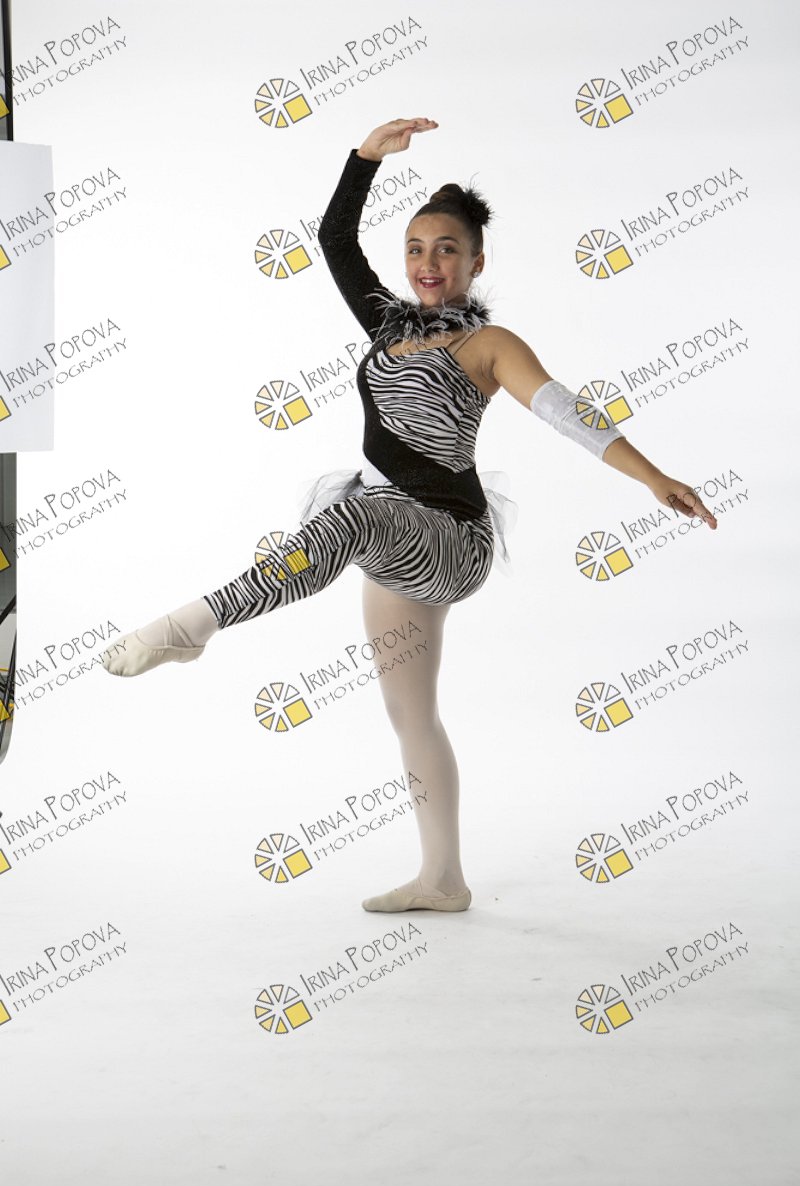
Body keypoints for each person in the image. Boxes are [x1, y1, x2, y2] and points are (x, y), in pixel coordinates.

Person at [102, 117, 718, 913]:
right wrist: (364, 159)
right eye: (417, 249)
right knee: (410, 713)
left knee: (353, 519)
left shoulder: (490, 345)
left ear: (476, 262)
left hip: (449, 539)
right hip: (394, 538)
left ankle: (192, 624)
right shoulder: (387, 325)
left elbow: (567, 412)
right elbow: (334, 239)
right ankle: (443, 878)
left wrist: (653, 476)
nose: (429, 263)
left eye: (447, 250)